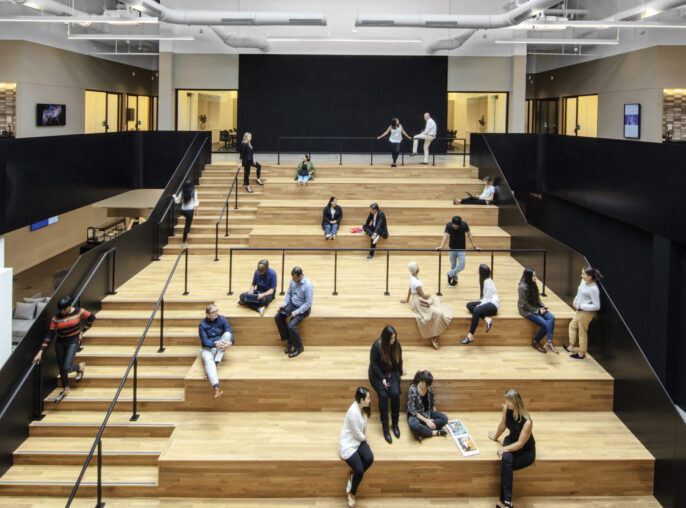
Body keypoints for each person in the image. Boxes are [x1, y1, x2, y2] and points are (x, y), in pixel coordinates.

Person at [32, 296, 94, 403]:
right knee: (61, 368)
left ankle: (80, 366)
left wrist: (82, 332)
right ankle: (66, 388)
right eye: (61, 310)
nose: (63, 312)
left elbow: (91, 317)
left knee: (66, 367)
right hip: (60, 343)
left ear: (70, 306)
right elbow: (49, 334)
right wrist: (40, 352)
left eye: (65, 309)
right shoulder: (56, 317)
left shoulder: (78, 311)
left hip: (73, 342)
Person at [488, 389, 536, 508]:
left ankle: (502, 500)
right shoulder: (507, 409)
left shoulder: (527, 422)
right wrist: (495, 436)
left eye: (509, 401)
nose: (506, 403)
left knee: (506, 465)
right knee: (506, 463)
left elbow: (520, 444)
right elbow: (503, 425)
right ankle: (507, 501)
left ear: (516, 402)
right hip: (511, 440)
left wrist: (504, 449)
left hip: (525, 450)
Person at [400, 262, 453, 350]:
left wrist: (407, 298)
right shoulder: (416, 283)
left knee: (436, 301)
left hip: (415, 298)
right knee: (436, 313)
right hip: (418, 301)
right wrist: (428, 295)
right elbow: (423, 295)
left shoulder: (412, 276)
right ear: (416, 269)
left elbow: (410, 287)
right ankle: (434, 336)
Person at [368, 325, 403, 444]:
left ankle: (395, 423)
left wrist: (400, 372)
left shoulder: (396, 345)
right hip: (377, 374)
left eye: (394, 338)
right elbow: (374, 365)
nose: (393, 341)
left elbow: (399, 360)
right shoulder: (376, 346)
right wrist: (382, 379)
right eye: (391, 339)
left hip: (390, 372)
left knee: (395, 393)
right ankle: (385, 427)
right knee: (383, 395)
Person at [339, 387, 373, 508]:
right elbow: (356, 433)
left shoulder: (363, 409)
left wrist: (364, 439)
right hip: (349, 443)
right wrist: (365, 440)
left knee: (369, 458)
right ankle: (352, 493)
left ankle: (353, 477)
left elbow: (363, 428)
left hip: (359, 440)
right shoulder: (353, 412)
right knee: (359, 470)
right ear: (362, 399)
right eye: (368, 398)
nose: (370, 400)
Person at [275, 266, 313, 358]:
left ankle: (299, 347)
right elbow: (289, 294)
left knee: (291, 325)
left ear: (301, 276)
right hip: (293, 304)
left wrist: (296, 312)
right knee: (278, 316)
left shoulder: (308, 285)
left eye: (295, 278)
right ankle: (289, 341)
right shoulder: (293, 281)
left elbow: (308, 303)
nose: (294, 280)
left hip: (303, 309)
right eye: (293, 278)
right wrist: (285, 304)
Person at [565, 266, 602, 359]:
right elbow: (579, 292)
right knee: (572, 326)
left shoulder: (594, 289)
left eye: (584, 274)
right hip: (579, 311)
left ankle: (582, 353)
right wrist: (575, 300)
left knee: (582, 332)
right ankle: (571, 346)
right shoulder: (583, 281)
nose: (581, 275)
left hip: (586, 313)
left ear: (590, 276)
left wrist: (581, 306)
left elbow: (597, 306)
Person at [518, 268, 558, 354]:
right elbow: (524, 304)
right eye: (534, 276)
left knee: (551, 317)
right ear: (529, 277)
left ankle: (549, 342)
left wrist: (543, 306)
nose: (535, 277)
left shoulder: (533, 283)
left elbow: (537, 298)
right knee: (545, 324)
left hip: (536, 306)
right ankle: (535, 341)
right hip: (526, 310)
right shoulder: (522, 287)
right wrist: (538, 311)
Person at [198, 304, 234, 399]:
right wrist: (215, 344)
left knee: (227, 335)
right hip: (208, 347)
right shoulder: (202, 325)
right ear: (207, 314)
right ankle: (216, 387)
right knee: (208, 359)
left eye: (216, 311)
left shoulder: (222, 319)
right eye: (213, 312)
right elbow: (205, 341)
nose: (216, 313)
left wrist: (230, 343)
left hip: (220, 345)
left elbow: (229, 331)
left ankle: (215, 363)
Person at [436, 216, 479, 287]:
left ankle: (450, 274)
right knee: (453, 266)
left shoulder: (464, 225)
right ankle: (455, 280)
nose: (456, 228)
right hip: (452, 248)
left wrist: (474, 246)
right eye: (455, 226)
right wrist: (441, 246)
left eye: (457, 227)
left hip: (461, 249)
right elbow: (445, 236)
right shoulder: (449, 225)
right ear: (452, 224)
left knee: (462, 266)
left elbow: (469, 235)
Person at [461, 264, 499, 344]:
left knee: (476, 310)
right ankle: (486, 319)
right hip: (487, 302)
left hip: (493, 305)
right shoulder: (483, 280)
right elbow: (484, 298)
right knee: (469, 305)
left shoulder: (488, 282)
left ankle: (470, 335)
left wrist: (480, 305)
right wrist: (480, 304)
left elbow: (488, 298)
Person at [407, 370, 448, 442]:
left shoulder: (429, 388)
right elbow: (412, 410)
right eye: (428, 384)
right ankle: (434, 432)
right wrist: (426, 421)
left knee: (444, 419)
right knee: (414, 425)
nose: (430, 386)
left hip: (428, 413)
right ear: (422, 382)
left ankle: (422, 432)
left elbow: (432, 402)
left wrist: (434, 416)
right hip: (416, 416)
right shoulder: (412, 389)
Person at [172, 179, 199, 246]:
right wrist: (196, 211)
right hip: (190, 211)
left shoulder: (182, 192)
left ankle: (187, 233)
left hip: (183, 211)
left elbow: (178, 201)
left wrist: (175, 197)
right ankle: (184, 242)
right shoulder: (194, 192)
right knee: (187, 225)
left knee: (187, 224)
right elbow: (196, 203)